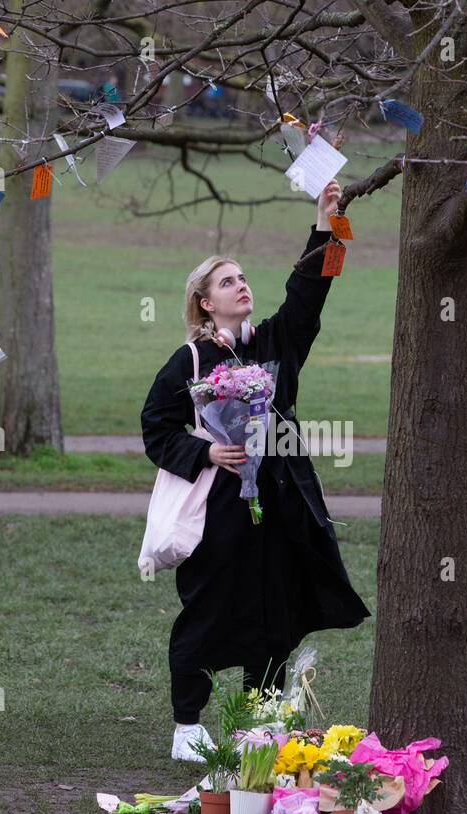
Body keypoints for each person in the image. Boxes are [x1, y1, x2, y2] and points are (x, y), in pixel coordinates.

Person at [141, 180, 370, 761]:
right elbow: (155, 426)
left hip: (280, 498)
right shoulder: (190, 360)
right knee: (211, 607)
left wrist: (325, 222)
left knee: (276, 610)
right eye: (227, 282)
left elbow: (307, 296)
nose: (241, 287)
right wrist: (207, 453)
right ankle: (188, 727)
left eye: (243, 278)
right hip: (219, 506)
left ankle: (257, 723)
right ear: (204, 303)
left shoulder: (272, 343)